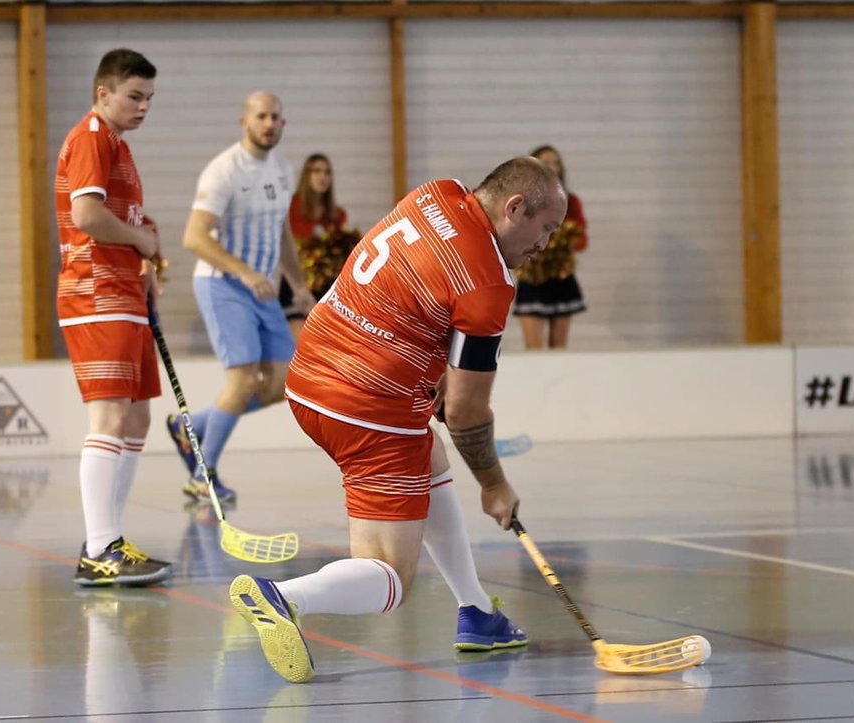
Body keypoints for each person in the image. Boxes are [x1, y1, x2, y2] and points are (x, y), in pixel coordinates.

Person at [228, 157, 568, 683]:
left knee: (428, 454)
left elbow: (411, 300)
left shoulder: (438, 195)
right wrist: (494, 485)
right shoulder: (488, 285)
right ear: (514, 207)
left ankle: (477, 614)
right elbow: (465, 409)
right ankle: (283, 596)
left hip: (310, 377)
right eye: (544, 228)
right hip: (369, 412)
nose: (544, 244)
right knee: (389, 576)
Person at [55, 48, 172, 587]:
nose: (144, 107)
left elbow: (120, 216)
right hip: (96, 295)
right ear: (103, 93)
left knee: (138, 420)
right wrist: (140, 239)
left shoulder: (117, 145)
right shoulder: (92, 138)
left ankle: (109, 539)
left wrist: (145, 255)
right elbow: (86, 215)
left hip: (124, 292)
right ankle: (99, 548)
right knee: (108, 422)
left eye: (149, 98)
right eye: (134, 96)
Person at [168, 92, 313, 504]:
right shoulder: (223, 171)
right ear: (244, 121)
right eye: (261, 116)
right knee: (245, 379)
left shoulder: (284, 171)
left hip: (262, 288)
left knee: (283, 383)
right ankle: (203, 474)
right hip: (223, 283)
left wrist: (299, 285)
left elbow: (281, 233)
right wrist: (246, 273)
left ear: (283, 124)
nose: (269, 123)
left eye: (276, 117)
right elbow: (193, 237)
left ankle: (191, 426)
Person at [512, 145, 588, 349]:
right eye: (546, 162)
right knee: (533, 348)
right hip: (532, 278)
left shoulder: (571, 202)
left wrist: (565, 239)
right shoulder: (522, 201)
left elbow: (582, 242)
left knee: (559, 349)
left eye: (556, 163)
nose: (552, 167)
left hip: (561, 278)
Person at [279, 152, 360, 340]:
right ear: (306, 176)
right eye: (316, 171)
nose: (322, 177)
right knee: (299, 336)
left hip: (326, 285)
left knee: (328, 337)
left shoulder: (337, 214)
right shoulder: (291, 207)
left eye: (326, 172)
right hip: (296, 280)